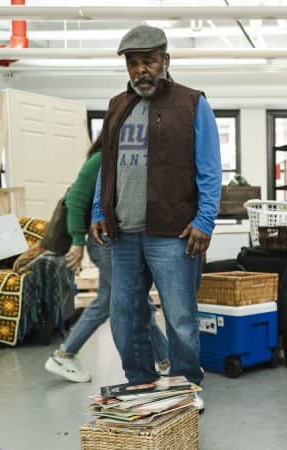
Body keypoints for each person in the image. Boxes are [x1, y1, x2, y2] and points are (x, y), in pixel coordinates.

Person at [90, 24, 221, 412]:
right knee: (125, 318)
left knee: (181, 318)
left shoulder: (193, 104)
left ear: (166, 60)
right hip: (123, 233)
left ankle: (185, 387)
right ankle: (141, 382)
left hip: (172, 233)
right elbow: (105, 166)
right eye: (133, 63)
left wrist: (205, 220)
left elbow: (210, 169)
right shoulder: (117, 106)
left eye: (148, 61)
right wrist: (99, 209)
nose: (141, 70)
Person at [43, 141, 170, 383]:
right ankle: (166, 360)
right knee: (137, 301)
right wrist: (77, 241)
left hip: (112, 240)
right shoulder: (102, 157)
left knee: (104, 302)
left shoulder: (122, 158)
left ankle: (65, 354)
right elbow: (76, 198)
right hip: (104, 242)